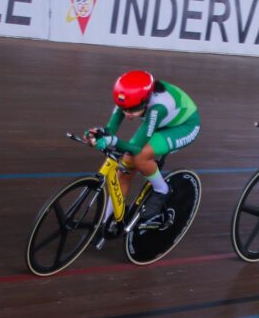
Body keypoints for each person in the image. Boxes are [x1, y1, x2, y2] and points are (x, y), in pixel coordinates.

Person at [86, 71, 201, 220]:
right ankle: (108, 222)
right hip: (160, 121)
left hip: (183, 126)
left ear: (145, 101)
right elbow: (110, 130)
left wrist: (112, 141)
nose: (127, 113)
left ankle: (162, 190)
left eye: (133, 109)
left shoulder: (158, 107)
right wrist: (98, 133)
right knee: (125, 167)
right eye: (124, 109)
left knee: (140, 156)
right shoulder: (128, 100)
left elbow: (136, 149)